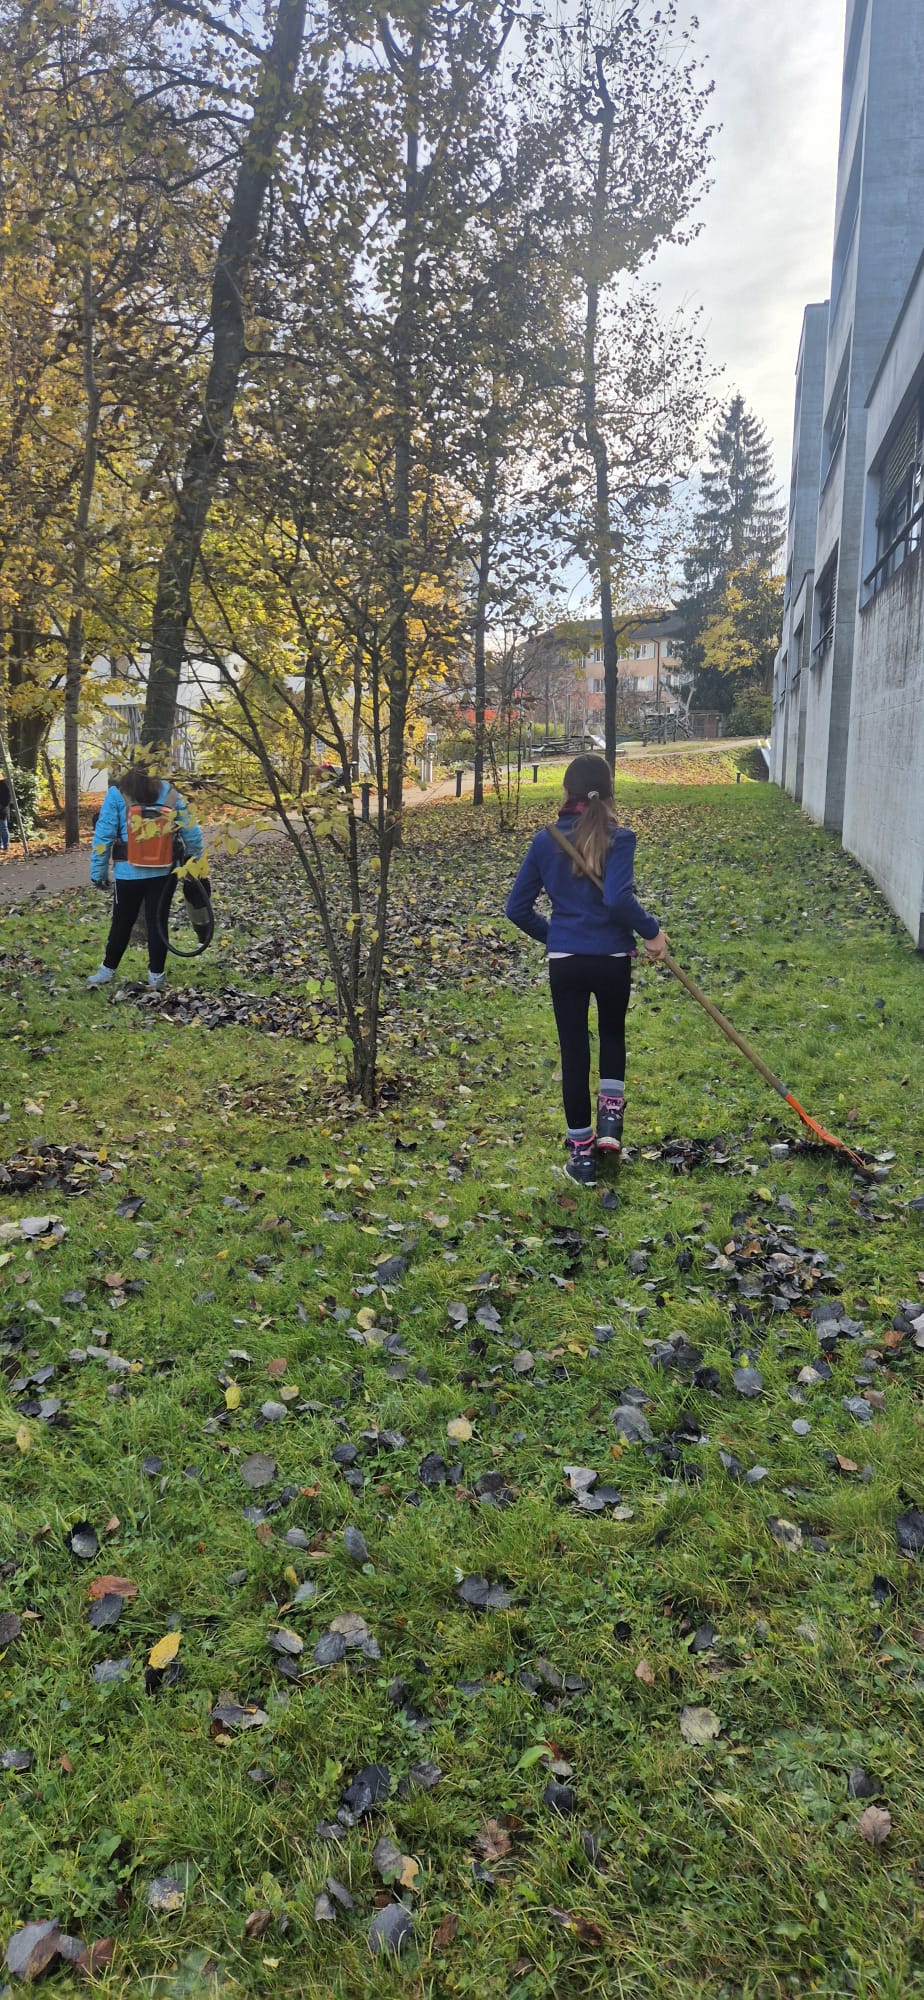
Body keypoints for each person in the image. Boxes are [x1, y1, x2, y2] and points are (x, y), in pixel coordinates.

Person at [505, 753, 669, 1187]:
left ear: (566, 792)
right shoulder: (622, 837)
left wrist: (557, 938)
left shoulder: (546, 841)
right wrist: (651, 931)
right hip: (612, 959)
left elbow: (516, 909)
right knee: (613, 1033)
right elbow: (617, 899)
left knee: (574, 1051)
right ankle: (610, 1123)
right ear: (610, 792)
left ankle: (581, 1155)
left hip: (567, 965)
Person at [87, 762, 204, 989]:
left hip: (127, 873)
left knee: (121, 922)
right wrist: (193, 861)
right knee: (157, 923)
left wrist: (98, 873)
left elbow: (103, 836)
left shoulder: (117, 794)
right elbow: (192, 832)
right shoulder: (171, 794)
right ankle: (156, 976)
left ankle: (106, 971)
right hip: (163, 873)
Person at [0, 775, 10, 853]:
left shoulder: (4, 785)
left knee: (3, 827)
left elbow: (7, 798)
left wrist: (2, 805)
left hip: (2, 810)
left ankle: (6, 844)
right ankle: (0, 844)